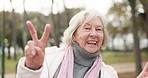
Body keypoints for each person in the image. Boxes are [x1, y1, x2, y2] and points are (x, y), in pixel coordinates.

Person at [16, 10, 119, 78]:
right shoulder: (48, 58)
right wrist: (32, 69)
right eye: (87, 28)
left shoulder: (110, 74)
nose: (94, 34)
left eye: (98, 29)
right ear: (73, 35)